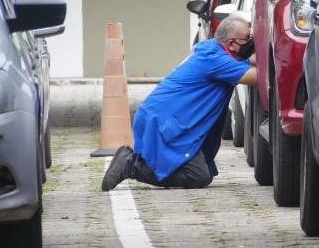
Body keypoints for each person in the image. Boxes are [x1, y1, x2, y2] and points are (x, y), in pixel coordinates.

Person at [101, 16, 257, 191]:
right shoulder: (215, 60)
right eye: (248, 39)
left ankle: (145, 163)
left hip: (164, 117)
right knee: (198, 176)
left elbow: (249, 62)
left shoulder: (211, 50)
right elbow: (257, 77)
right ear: (232, 44)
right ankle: (130, 165)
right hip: (165, 122)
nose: (251, 43)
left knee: (203, 171)